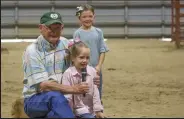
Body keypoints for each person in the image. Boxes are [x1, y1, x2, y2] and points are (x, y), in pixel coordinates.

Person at [22, 11, 101, 118]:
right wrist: (74, 89)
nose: (54, 32)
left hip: (63, 98)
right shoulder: (32, 51)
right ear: (41, 28)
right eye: (50, 28)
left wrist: (92, 76)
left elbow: (82, 63)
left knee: (60, 108)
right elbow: (44, 85)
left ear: (62, 28)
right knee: (56, 97)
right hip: (35, 99)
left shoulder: (67, 44)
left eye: (57, 28)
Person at [61, 39, 105, 118]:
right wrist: (69, 114)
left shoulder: (92, 71)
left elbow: (96, 93)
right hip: (78, 110)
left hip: (92, 110)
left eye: (87, 58)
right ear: (73, 58)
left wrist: (98, 110)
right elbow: (68, 96)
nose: (85, 60)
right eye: (81, 57)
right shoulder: (68, 74)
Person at [73, 4, 109, 99]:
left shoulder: (98, 32)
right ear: (79, 18)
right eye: (84, 17)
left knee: (97, 91)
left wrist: (99, 66)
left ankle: (98, 110)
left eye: (90, 16)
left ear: (94, 16)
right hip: (82, 69)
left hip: (96, 70)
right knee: (84, 92)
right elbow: (76, 51)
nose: (87, 19)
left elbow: (102, 50)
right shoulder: (77, 33)